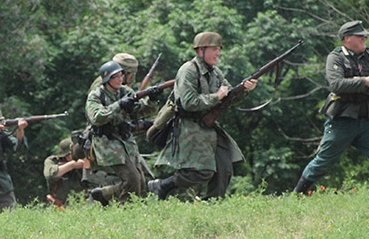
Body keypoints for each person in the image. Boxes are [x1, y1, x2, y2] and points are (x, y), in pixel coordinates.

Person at [294, 21, 369, 192]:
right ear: (347, 38)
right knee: (324, 160)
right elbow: (336, 84)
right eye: (359, 36)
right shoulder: (336, 57)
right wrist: (365, 82)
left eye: (364, 36)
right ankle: (298, 193)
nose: (364, 39)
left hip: (367, 118)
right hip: (342, 119)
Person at [148, 32, 257, 201]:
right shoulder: (188, 71)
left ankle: (211, 206)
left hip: (208, 126)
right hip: (188, 126)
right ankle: (163, 185)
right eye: (213, 49)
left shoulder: (216, 73)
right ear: (200, 50)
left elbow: (229, 99)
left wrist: (244, 90)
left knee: (224, 168)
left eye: (219, 49)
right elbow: (189, 102)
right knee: (202, 172)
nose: (217, 53)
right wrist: (216, 97)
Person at [85, 61, 162, 205]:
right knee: (132, 179)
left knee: (141, 182)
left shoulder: (125, 92)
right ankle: (126, 211)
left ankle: (104, 194)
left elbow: (141, 111)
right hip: (107, 143)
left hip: (126, 140)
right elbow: (96, 117)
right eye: (115, 77)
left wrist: (152, 99)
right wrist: (118, 105)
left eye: (121, 75)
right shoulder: (96, 95)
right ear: (107, 79)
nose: (120, 79)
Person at [43, 138, 89, 207]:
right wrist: (72, 165)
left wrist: (85, 163)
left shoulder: (85, 159)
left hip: (82, 203)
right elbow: (50, 175)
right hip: (59, 204)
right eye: (67, 155)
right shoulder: (52, 161)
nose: (70, 157)